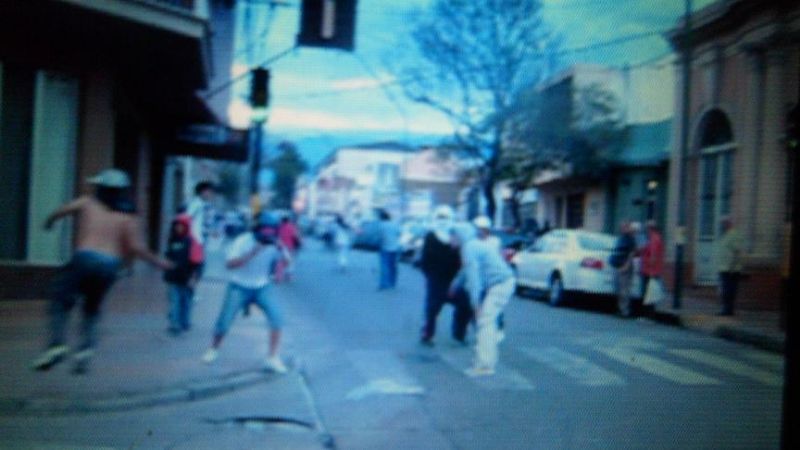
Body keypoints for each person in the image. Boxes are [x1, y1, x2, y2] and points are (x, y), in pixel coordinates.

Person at [32, 169, 173, 374]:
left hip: (84, 258)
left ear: (101, 188)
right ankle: (85, 350)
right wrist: (159, 262)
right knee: (92, 308)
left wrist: (49, 221)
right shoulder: (128, 216)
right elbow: (136, 248)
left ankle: (57, 345)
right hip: (109, 265)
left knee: (60, 300)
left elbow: (62, 211)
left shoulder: (88, 203)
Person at [202, 213, 289, 373]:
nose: (267, 236)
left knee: (277, 318)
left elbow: (286, 262)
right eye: (265, 232)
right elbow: (229, 264)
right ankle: (213, 349)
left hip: (262, 286)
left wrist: (282, 253)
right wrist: (251, 253)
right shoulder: (243, 241)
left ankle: (272, 357)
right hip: (239, 285)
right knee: (225, 319)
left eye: (271, 232)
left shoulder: (275, 243)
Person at [449, 221, 516, 377]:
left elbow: (473, 277)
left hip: (500, 284)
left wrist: (475, 303)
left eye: (452, 236)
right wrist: (455, 284)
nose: (450, 240)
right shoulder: (473, 245)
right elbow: (466, 272)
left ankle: (485, 365)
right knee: (487, 321)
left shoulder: (469, 248)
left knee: (485, 322)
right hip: (500, 283)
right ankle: (487, 357)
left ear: (459, 236)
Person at [418, 206, 473, 347]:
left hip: (453, 280)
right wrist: (431, 276)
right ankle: (427, 334)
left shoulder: (455, 236)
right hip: (436, 279)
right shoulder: (430, 236)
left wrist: (456, 248)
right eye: (440, 217)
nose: (443, 221)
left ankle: (459, 334)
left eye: (445, 217)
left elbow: (462, 258)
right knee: (432, 308)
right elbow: (426, 259)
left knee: (465, 304)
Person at [163, 214, 204, 335]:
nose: (179, 228)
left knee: (186, 301)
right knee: (175, 301)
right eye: (177, 226)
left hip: (186, 278)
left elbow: (197, 262)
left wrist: (194, 278)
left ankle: (184, 322)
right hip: (174, 277)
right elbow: (168, 256)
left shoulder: (192, 242)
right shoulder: (172, 240)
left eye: (181, 226)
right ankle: (175, 324)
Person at [714, 216, 744, 316]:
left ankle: (728, 310)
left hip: (731, 269)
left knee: (729, 291)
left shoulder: (734, 235)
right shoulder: (725, 235)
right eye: (721, 224)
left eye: (723, 224)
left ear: (728, 224)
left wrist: (732, 266)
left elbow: (737, 252)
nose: (721, 226)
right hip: (723, 268)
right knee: (725, 290)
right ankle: (726, 309)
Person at [611, 221, 637, 318]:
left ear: (628, 228)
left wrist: (626, 266)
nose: (623, 228)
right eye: (622, 227)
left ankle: (625, 311)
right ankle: (620, 309)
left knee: (624, 290)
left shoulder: (630, 239)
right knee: (618, 289)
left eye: (625, 227)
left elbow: (631, 254)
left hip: (625, 267)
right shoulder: (621, 238)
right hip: (617, 266)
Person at [639, 220, 665, 313]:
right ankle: (648, 314)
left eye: (647, 228)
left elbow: (653, 256)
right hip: (651, 270)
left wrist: (649, 265)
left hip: (650, 271)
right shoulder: (653, 238)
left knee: (649, 293)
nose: (646, 230)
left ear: (650, 229)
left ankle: (648, 315)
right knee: (650, 293)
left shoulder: (654, 239)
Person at [186, 181, 217, 247]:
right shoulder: (195, 204)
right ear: (202, 192)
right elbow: (188, 219)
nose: (210, 194)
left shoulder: (205, 205)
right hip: (194, 239)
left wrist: (211, 232)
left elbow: (206, 223)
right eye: (208, 191)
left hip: (201, 240)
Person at [377, 209, 401, 290]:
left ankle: (384, 284)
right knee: (393, 266)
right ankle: (392, 283)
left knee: (384, 266)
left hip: (385, 247)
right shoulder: (395, 224)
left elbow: (379, 237)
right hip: (395, 247)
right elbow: (399, 234)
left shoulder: (381, 225)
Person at [275, 216, 301, 282]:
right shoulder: (292, 227)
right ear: (288, 221)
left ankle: (278, 277)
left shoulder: (279, 227)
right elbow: (296, 236)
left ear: (282, 221)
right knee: (290, 262)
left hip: (281, 247)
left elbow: (277, 237)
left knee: (280, 262)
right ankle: (289, 276)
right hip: (290, 248)